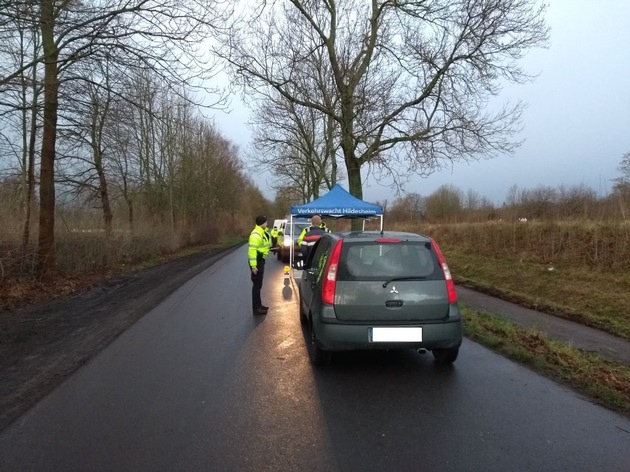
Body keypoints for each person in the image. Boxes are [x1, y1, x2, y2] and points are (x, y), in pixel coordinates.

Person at [248, 215, 271, 315]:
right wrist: (254, 266)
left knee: (259, 284)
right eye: (266, 222)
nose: (267, 223)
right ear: (262, 223)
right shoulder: (255, 235)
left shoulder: (262, 232)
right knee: (257, 285)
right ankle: (256, 309)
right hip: (257, 261)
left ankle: (259, 305)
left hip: (260, 260)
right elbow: (252, 251)